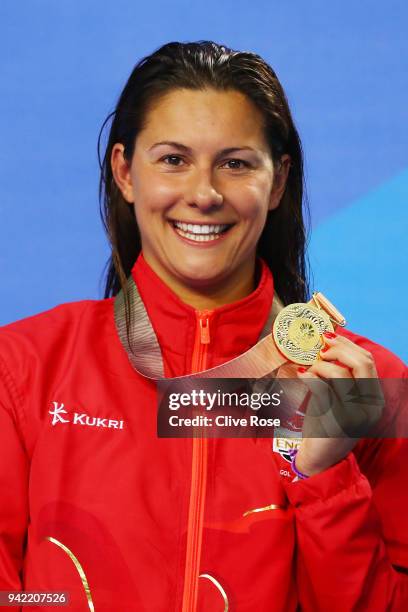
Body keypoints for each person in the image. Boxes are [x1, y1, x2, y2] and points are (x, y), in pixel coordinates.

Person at [0, 40, 407, 612]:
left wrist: (328, 478)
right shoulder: (23, 369)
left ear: (279, 180)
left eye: (236, 164)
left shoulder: (367, 388)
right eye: (173, 159)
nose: (204, 194)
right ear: (125, 172)